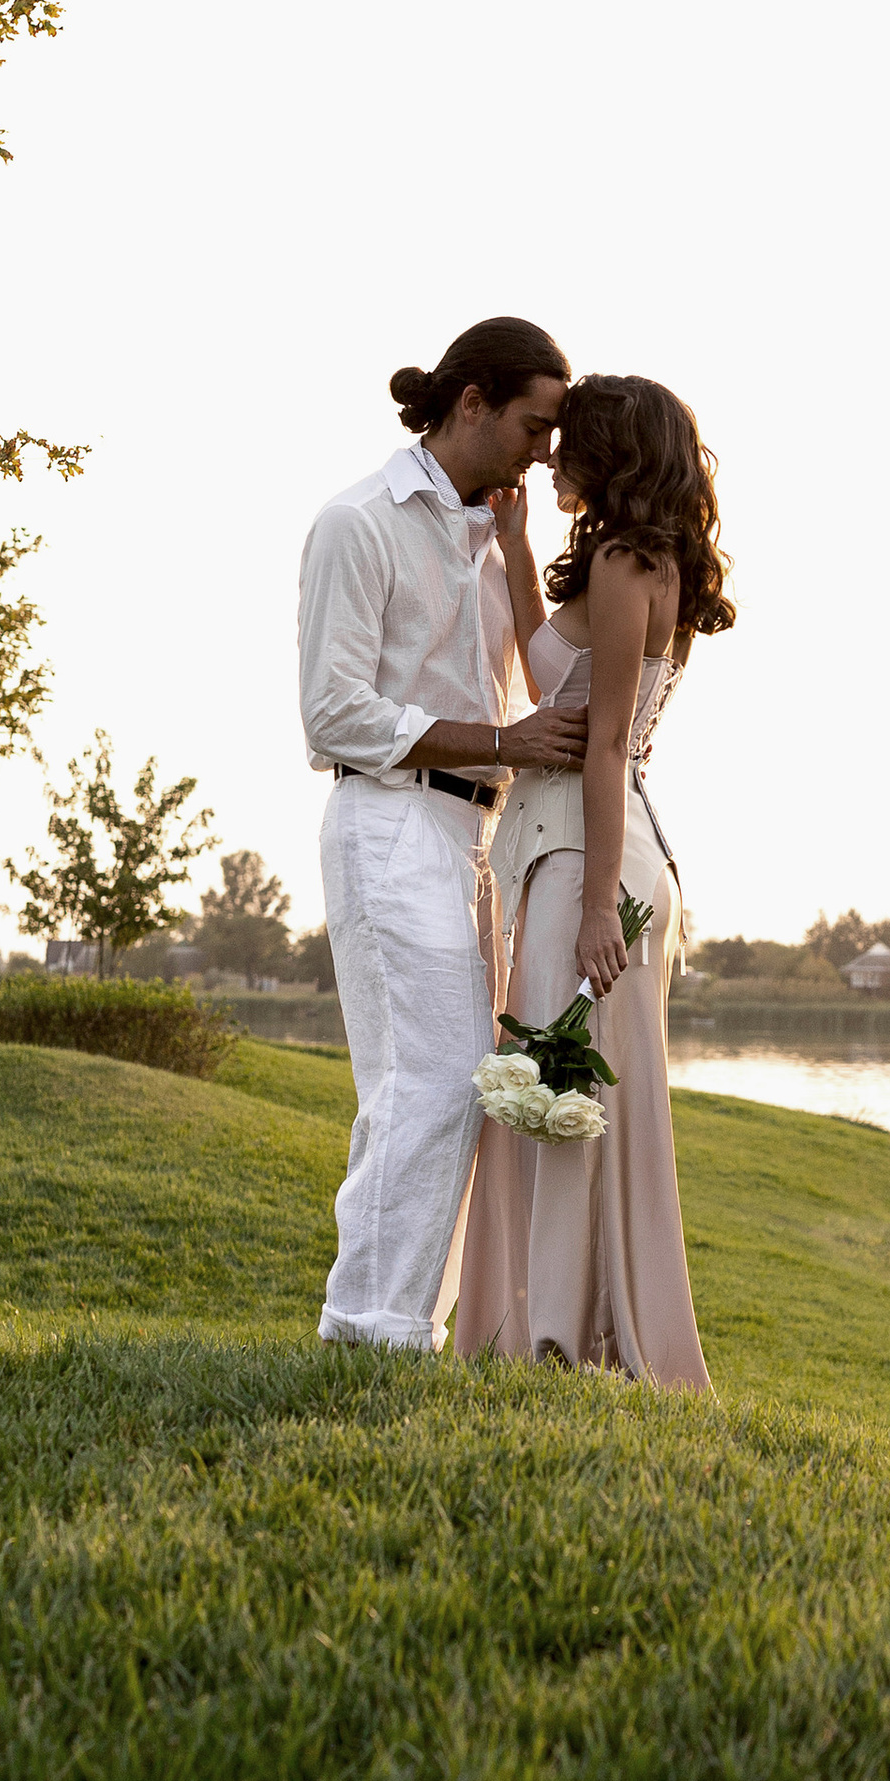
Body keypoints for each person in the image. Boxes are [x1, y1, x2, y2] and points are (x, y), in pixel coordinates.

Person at [298, 318, 591, 1352]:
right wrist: (502, 735)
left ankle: (394, 1325)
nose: (546, 451)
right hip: (388, 823)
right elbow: (331, 714)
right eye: (534, 425)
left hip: (477, 840)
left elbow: (532, 674)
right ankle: (374, 1327)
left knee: (452, 1082)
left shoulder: (493, 533)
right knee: (426, 1078)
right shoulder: (359, 522)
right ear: (470, 403)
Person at [451, 373, 734, 1390]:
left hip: (587, 862)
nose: (548, 455)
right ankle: (569, 1329)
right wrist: (521, 553)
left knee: (558, 1095)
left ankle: (557, 1341)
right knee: (562, 1096)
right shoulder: (641, 562)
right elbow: (552, 686)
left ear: (607, 450)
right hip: (586, 852)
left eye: (566, 441)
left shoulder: (624, 563)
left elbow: (605, 744)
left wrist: (596, 910)